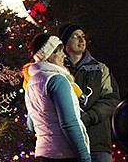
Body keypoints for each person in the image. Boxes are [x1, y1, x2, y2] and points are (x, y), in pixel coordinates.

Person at [23, 33, 91, 161]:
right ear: (48, 56)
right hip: (64, 154)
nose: (63, 56)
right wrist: (84, 157)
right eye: (59, 52)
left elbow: (31, 124)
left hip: (43, 153)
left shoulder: (31, 82)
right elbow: (68, 123)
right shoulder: (57, 80)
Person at [58, 23, 120, 162]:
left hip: (97, 145)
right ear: (64, 43)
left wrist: (90, 116)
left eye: (83, 36)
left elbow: (111, 99)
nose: (81, 40)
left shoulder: (100, 69)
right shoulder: (58, 71)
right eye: (76, 36)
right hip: (67, 147)